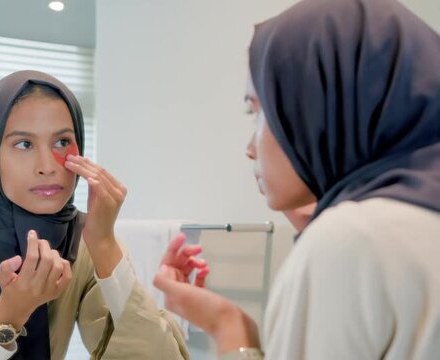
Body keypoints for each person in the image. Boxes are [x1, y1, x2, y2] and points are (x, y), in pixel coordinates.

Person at [154, 0, 440, 358]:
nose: (250, 147)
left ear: (319, 105)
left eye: (258, 111)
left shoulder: (351, 240)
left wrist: (228, 330)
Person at [0, 70, 200, 359]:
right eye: (23, 144)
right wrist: (5, 320)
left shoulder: (84, 240)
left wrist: (105, 244)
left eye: (62, 142)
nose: (47, 165)